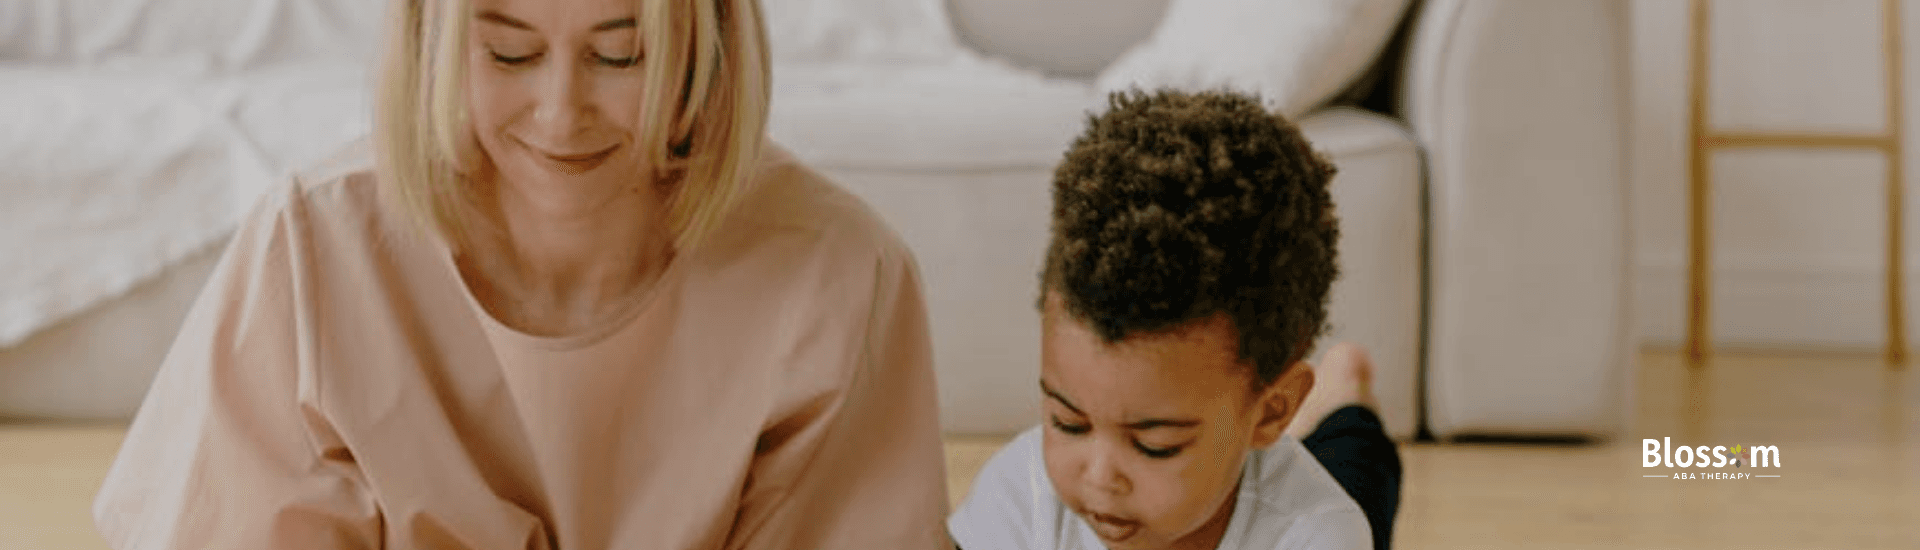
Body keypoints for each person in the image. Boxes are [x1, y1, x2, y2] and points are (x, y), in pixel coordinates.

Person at [91, 0, 952, 548]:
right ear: (434, 39)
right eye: (507, 54)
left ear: (708, 45)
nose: (559, 112)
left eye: (620, 57)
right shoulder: (315, 249)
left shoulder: (838, 276)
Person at [947, 89, 1403, 550]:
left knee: (1357, 490)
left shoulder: (1315, 534)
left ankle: (1346, 395)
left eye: (1155, 445)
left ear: (1270, 410)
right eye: (1068, 422)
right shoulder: (1019, 493)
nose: (1100, 479)